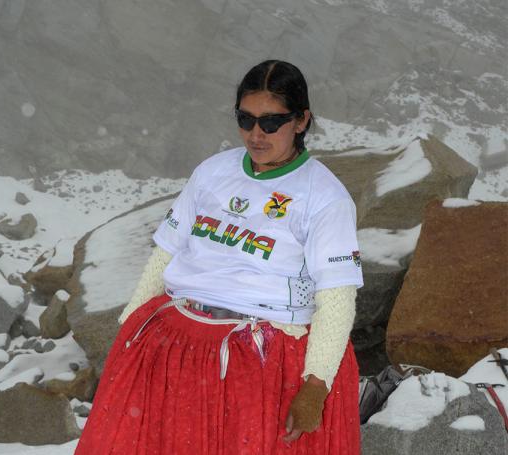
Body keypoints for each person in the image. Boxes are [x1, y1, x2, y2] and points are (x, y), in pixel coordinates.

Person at [75, 60, 363, 455]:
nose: (256, 134)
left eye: (271, 122)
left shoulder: (324, 198)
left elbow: (336, 299)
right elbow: (167, 253)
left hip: (262, 357)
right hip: (177, 345)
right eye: (245, 120)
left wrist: (316, 385)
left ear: (301, 121)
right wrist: (128, 332)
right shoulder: (213, 173)